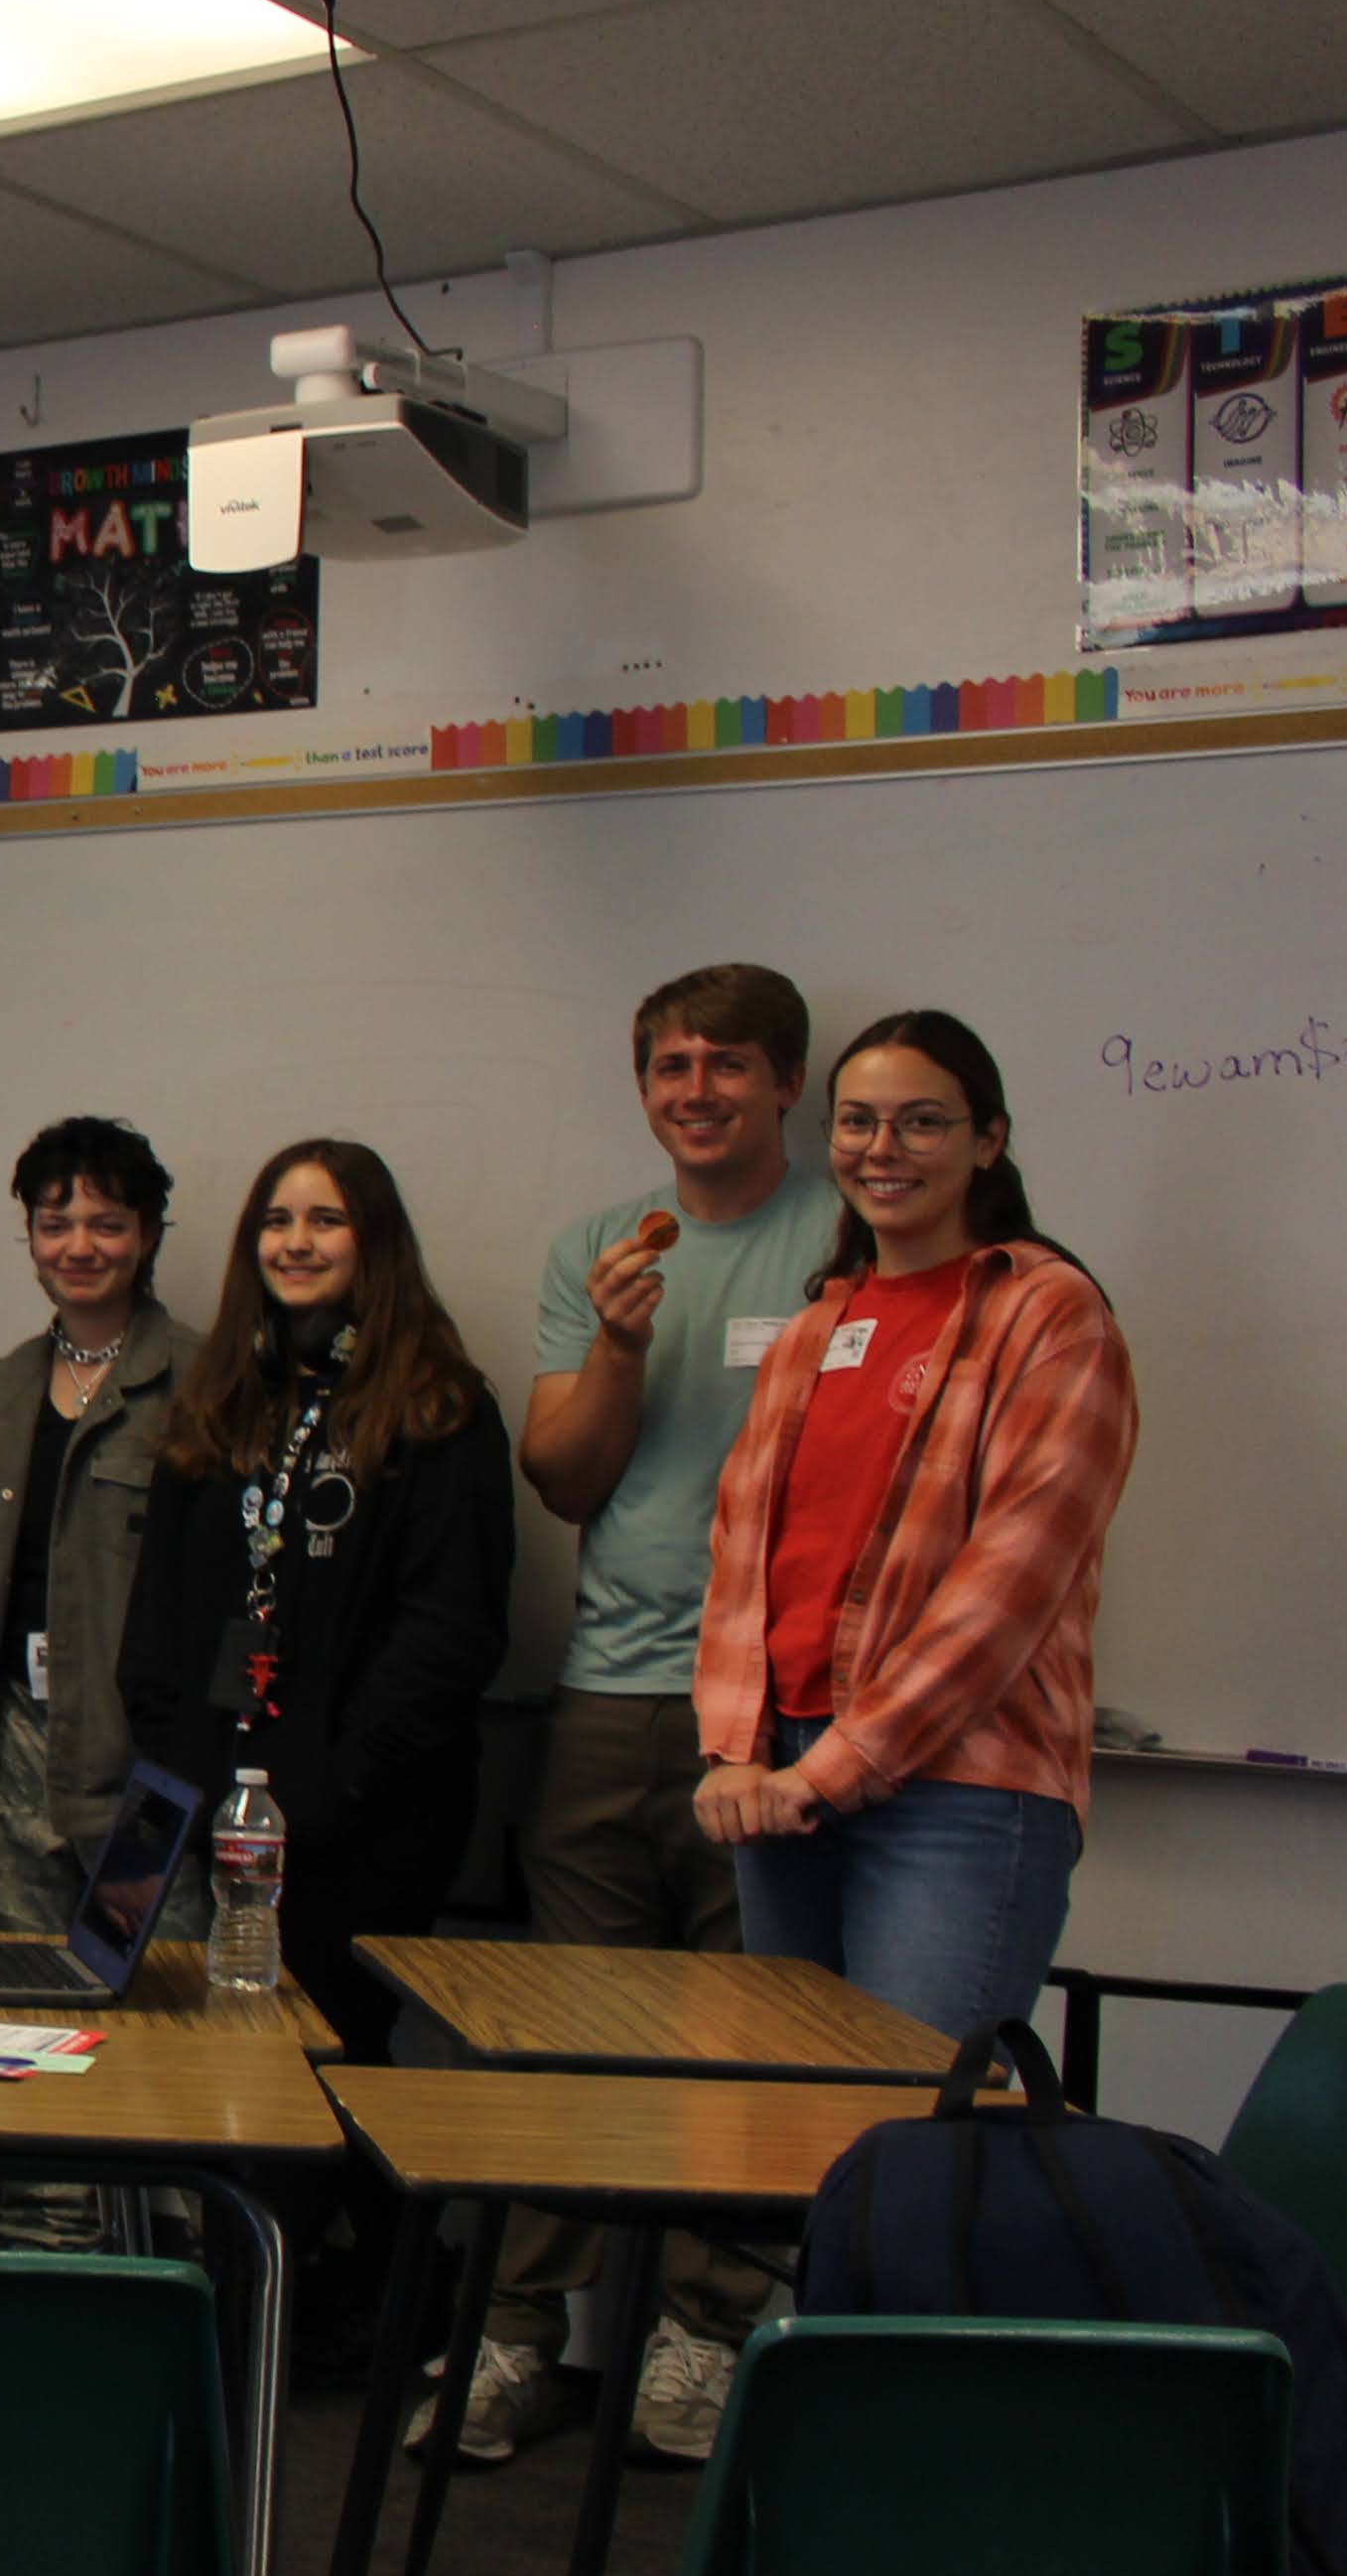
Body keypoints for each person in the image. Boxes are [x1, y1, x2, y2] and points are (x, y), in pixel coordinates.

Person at [464, 967, 828, 2468]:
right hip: (613, 1686)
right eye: (670, 1064)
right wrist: (615, 1341)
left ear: (785, 1086)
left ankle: (702, 2335)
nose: (695, 1088)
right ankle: (511, 2333)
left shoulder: (845, 1236)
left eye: (727, 1064)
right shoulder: (600, 1247)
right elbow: (561, 1478)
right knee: (563, 2024)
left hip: (788, 1704)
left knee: (747, 2036)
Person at [695, 1013, 1135, 2045]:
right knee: (782, 2138)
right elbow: (737, 1559)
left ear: (987, 1139)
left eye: (919, 1122)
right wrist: (733, 1750)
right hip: (778, 1781)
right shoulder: (813, 1329)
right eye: (856, 1123)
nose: (879, 1151)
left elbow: (1007, 1587)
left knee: (906, 2144)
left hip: (955, 1789)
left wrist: (833, 1768)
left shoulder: (1047, 1312)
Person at [118, 1141, 514, 2061]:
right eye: (277, 1220)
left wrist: (329, 1788)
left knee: (334, 2062)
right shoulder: (221, 1396)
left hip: (364, 1814)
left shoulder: (440, 1408)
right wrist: (179, 1766)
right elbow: (162, 1610)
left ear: (374, 1241)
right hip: (214, 1804)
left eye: (325, 1220)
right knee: (208, 2055)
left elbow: (449, 1632)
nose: (296, 1242)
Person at [0, 1119, 200, 1940]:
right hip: (6, 1746)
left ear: (146, 1235)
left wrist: (152, 1824)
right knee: (14, 2021)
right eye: (54, 1224)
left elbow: (215, 1613)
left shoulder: (206, 1384)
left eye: (106, 1223)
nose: (78, 1246)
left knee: (164, 2031)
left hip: (138, 1763)